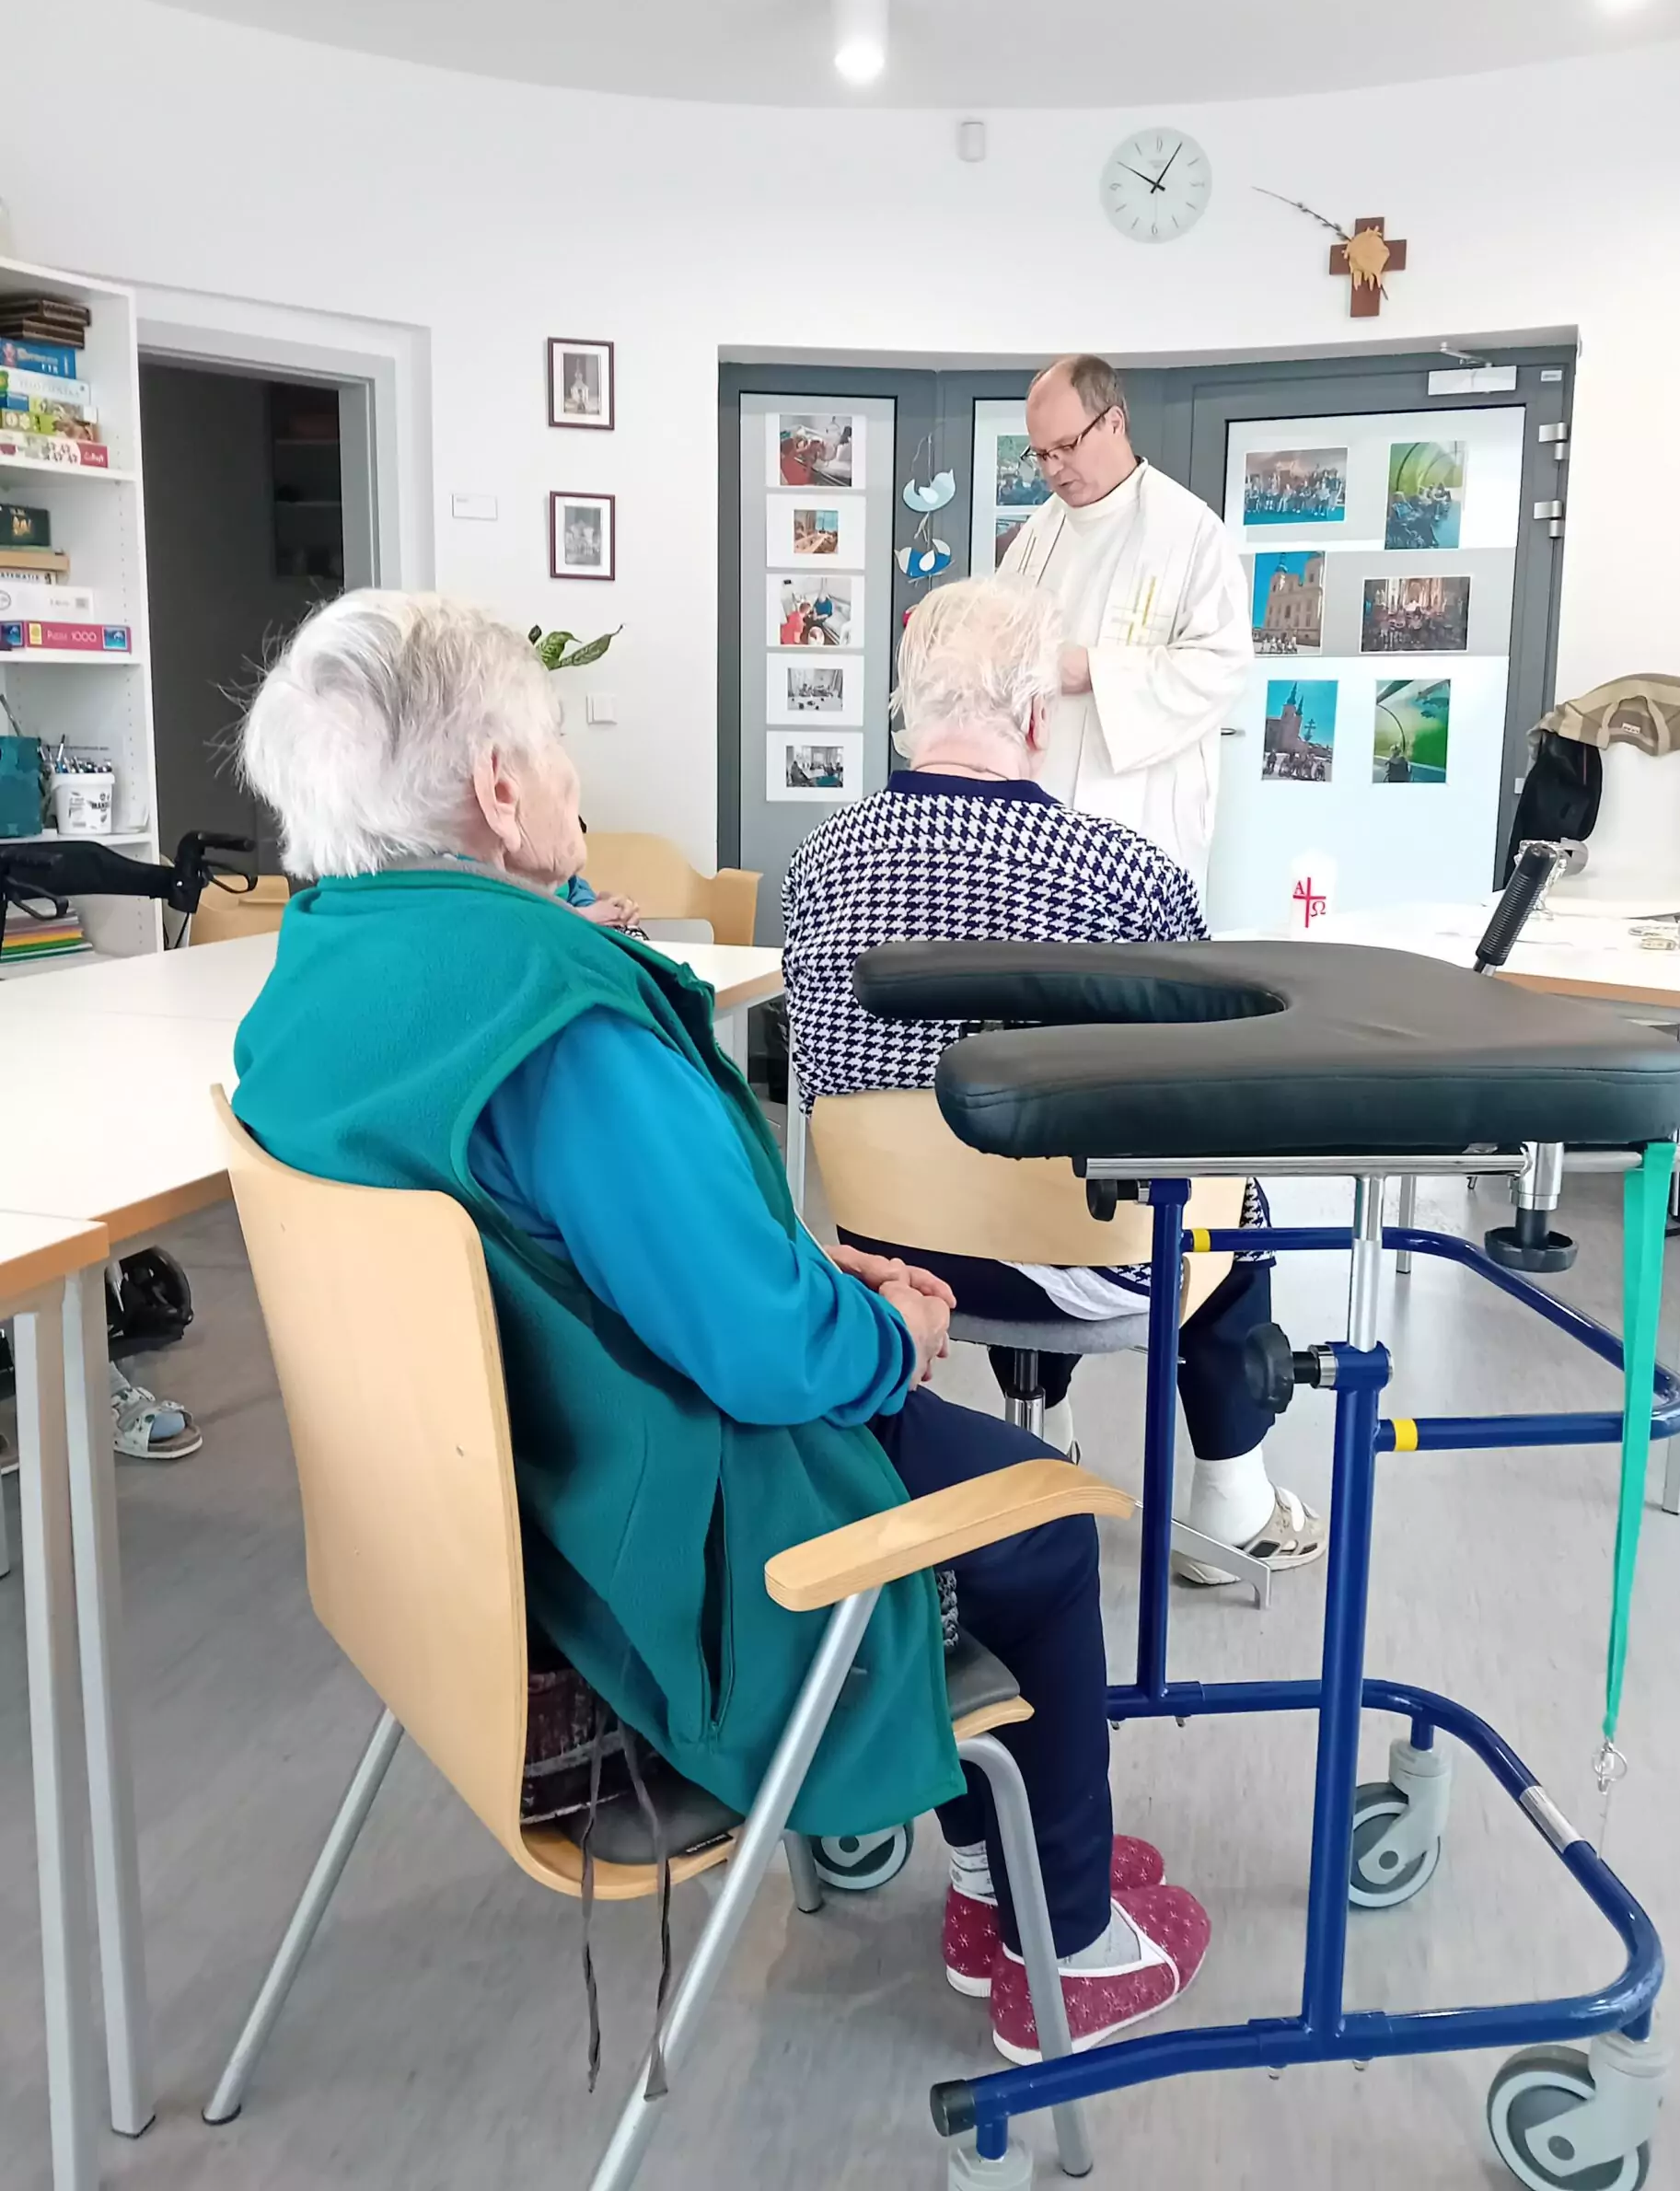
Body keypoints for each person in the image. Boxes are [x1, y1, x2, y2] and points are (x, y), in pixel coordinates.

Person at [229, 589, 1208, 2064]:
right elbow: (765, 1353)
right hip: (669, 1554)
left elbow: (589, 1253)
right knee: (1041, 1526)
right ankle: (1059, 1942)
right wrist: (891, 1330)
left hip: (472, 1553)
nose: (571, 774)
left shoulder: (311, 976)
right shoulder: (556, 1021)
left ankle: (990, 1862)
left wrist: (806, 1270)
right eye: (555, 742)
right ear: (497, 787)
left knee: (938, 1444)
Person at [782, 574, 1324, 1581]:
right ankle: (1234, 1505)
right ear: (1038, 715)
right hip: (1081, 1261)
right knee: (1226, 1192)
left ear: (908, 710)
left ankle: (1048, 1434)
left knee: (988, 1161)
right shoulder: (1123, 871)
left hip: (884, 1251)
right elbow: (1201, 1079)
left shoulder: (817, 862)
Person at [999, 354, 1252, 886]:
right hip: (1040, 812)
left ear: (1114, 422)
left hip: (1142, 812)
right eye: (1041, 454)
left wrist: (1094, 670)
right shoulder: (1036, 534)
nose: (1052, 470)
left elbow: (1222, 665)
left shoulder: (1190, 531)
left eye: (1066, 447)